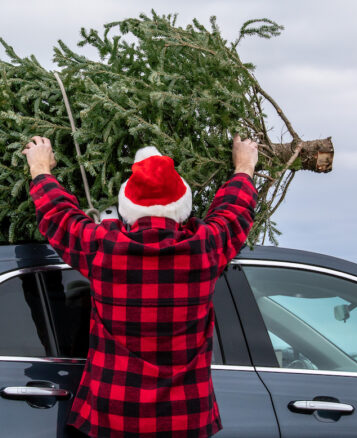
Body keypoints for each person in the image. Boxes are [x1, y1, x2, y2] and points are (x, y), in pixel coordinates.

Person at [24, 135, 258, 438]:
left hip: (111, 420)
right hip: (185, 421)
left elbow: (59, 216)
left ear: (127, 207)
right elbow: (234, 211)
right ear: (182, 206)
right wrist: (244, 167)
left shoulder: (105, 248)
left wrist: (41, 168)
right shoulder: (205, 248)